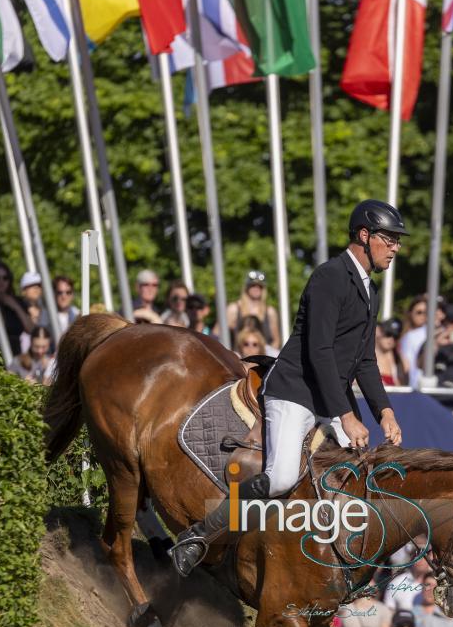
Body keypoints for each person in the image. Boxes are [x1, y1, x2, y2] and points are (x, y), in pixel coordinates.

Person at [172, 200, 405, 575]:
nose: (396, 248)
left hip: (328, 397)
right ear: (364, 235)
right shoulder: (330, 276)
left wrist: (385, 411)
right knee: (280, 477)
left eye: (396, 241)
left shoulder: (369, 290)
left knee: (360, 474)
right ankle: (198, 535)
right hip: (295, 391)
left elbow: (364, 360)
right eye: (390, 239)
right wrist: (346, 415)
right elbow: (319, 350)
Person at [226, 271, 280, 352]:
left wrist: (267, 356)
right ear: (246, 287)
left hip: (263, 358)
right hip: (238, 358)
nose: (256, 288)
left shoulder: (270, 312)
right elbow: (218, 334)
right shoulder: (233, 309)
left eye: (260, 286)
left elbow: (276, 340)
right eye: (253, 285)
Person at [375, 317, 408, 386]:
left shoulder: (400, 360)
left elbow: (402, 386)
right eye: (388, 334)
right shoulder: (365, 357)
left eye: (395, 337)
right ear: (378, 332)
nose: (391, 339)